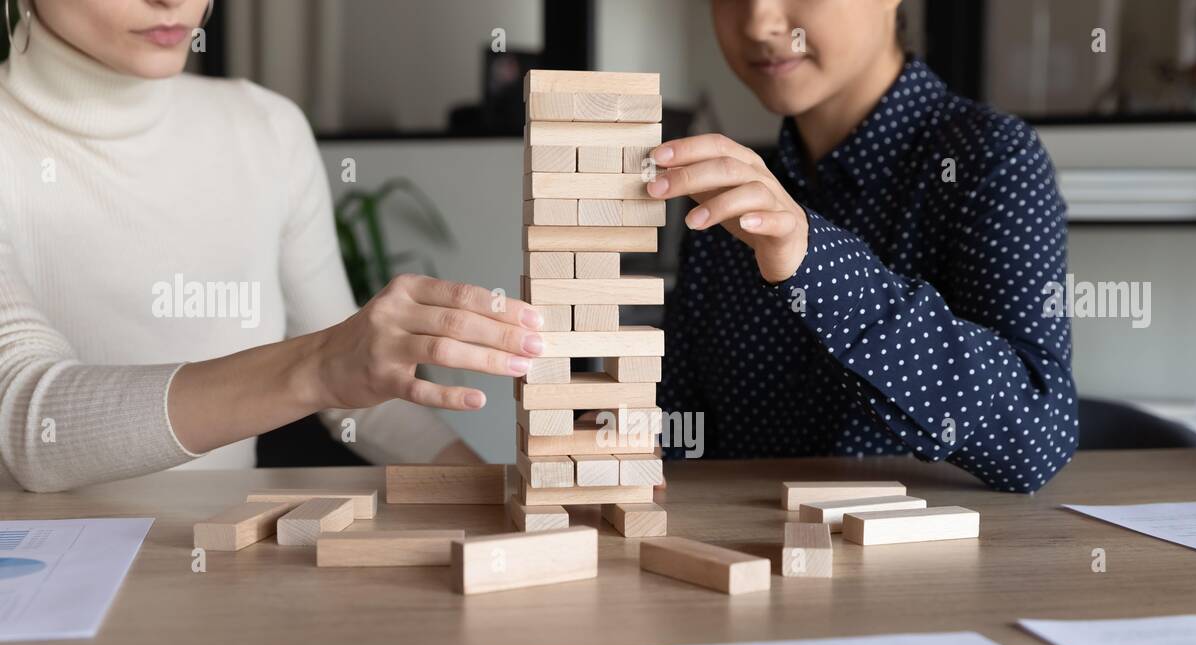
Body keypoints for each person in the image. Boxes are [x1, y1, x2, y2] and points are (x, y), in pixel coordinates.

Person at [0, 0, 540, 492]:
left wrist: (500, 499)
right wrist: (317, 366)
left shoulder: (265, 129)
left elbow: (363, 399)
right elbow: (29, 422)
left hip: (219, 558)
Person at [654, 0, 1077, 492]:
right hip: (735, 538)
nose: (758, 23)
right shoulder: (737, 186)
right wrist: (617, 430)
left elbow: (1037, 437)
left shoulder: (992, 159)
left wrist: (814, 260)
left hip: (927, 541)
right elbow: (682, 424)